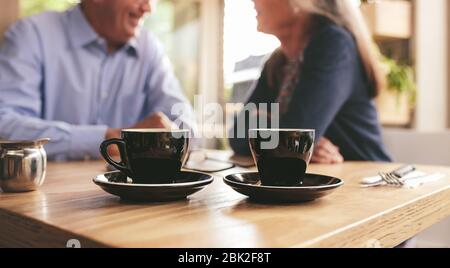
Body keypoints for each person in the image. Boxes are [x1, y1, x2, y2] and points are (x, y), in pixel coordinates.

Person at [0, 0, 195, 161]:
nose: (149, 8)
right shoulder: (32, 35)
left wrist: (173, 134)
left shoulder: (150, 48)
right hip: (47, 198)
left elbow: (185, 121)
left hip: (133, 199)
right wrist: (108, 139)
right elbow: (5, 123)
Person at [229, 0, 391, 163]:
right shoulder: (277, 63)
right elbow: (238, 136)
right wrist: (290, 143)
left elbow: (295, 139)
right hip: (317, 179)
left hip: (369, 181)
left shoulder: (334, 44)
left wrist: (270, 128)